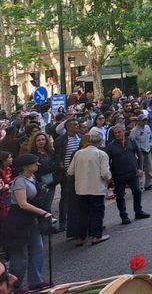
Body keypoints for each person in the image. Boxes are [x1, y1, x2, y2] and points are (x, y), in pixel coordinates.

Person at [5, 154, 51, 291]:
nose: (38, 165)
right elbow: (22, 204)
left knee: (37, 249)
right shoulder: (19, 181)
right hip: (19, 221)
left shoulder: (32, 177)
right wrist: (42, 212)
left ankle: (36, 281)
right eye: (35, 163)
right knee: (21, 255)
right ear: (26, 166)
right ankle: (15, 286)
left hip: (31, 219)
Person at [67, 129, 112, 246]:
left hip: (81, 188)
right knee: (97, 212)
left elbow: (70, 171)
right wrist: (109, 180)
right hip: (96, 188)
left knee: (82, 213)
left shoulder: (78, 153)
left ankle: (81, 237)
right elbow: (105, 173)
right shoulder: (102, 154)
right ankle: (96, 235)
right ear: (99, 143)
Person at [104, 125, 150, 224]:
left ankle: (138, 211)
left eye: (119, 132)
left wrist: (140, 168)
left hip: (132, 172)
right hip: (119, 174)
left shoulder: (131, 141)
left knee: (137, 191)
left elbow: (139, 155)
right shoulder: (111, 146)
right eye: (115, 133)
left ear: (124, 131)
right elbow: (107, 161)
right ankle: (124, 215)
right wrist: (110, 176)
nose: (117, 134)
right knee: (120, 195)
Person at [54, 117, 82, 233]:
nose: (77, 126)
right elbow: (58, 157)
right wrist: (64, 170)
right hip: (67, 174)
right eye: (75, 125)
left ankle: (78, 221)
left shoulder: (80, 138)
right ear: (68, 127)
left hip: (80, 172)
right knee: (65, 198)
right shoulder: (61, 140)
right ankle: (63, 223)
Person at [130, 116, 152, 190]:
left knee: (149, 168)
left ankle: (148, 184)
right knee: (140, 168)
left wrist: (150, 145)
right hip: (140, 151)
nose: (145, 122)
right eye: (143, 120)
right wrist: (136, 152)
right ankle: (140, 186)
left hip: (148, 150)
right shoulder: (134, 131)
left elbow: (150, 137)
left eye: (146, 120)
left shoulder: (147, 127)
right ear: (139, 121)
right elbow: (132, 142)